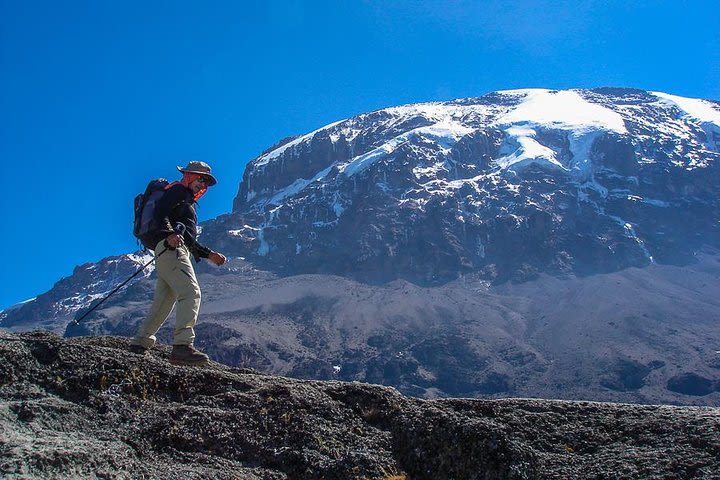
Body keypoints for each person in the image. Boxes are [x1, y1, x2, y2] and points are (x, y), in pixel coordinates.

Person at [130, 161, 226, 366]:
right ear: (189, 176)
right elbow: (160, 213)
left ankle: (140, 342)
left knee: (165, 299)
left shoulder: (185, 199)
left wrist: (209, 255)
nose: (203, 184)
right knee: (191, 292)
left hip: (167, 250)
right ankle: (182, 346)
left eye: (206, 182)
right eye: (201, 179)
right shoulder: (179, 192)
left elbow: (188, 239)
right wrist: (170, 234)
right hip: (171, 249)